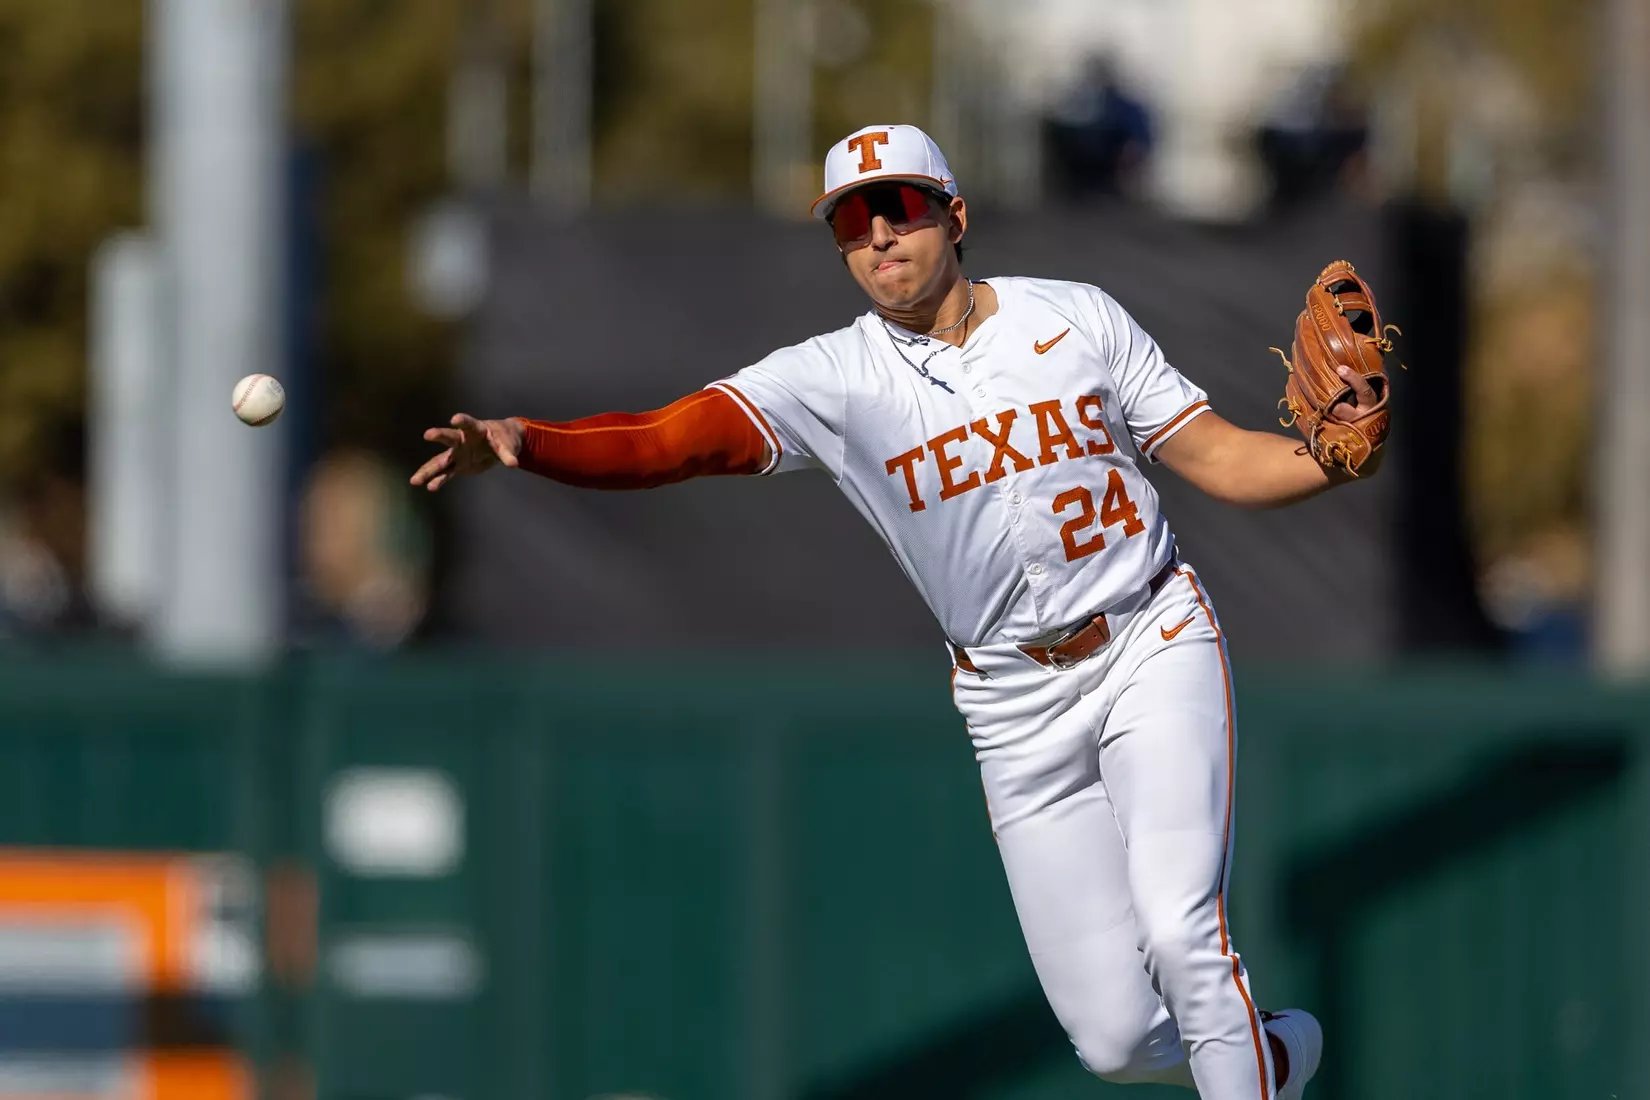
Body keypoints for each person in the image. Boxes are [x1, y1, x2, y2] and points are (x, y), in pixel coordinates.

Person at [411, 124, 1378, 1098]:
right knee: (1117, 1041)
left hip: (1148, 640)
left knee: (1180, 932)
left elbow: (1219, 457)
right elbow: (671, 439)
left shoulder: (1075, 316)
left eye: (898, 206)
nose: (877, 234)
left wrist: (1327, 460)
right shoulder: (833, 378)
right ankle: (1273, 1059)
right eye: (850, 220)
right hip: (1013, 702)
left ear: (955, 215)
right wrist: (529, 441)